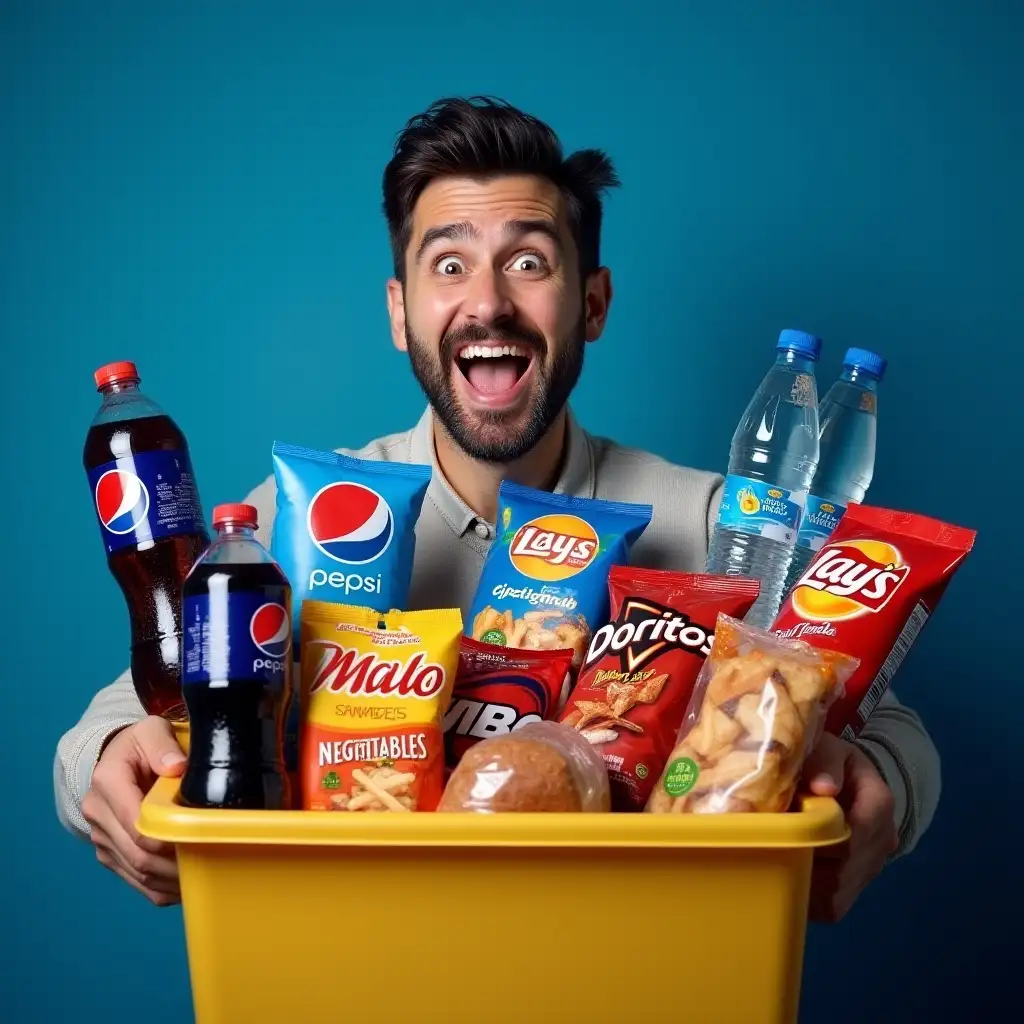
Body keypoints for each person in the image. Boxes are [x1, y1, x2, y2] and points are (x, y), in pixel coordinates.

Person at [55, 96, 936, 922]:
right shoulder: (300, 521)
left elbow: (882, 723)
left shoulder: (711, 529)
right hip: (352, 965)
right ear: (400, 313)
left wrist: (876, 781)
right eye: (448, 264)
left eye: (528, 261)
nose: (487, 302)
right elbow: (134, 705)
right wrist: (106, 761)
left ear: (591, 303)